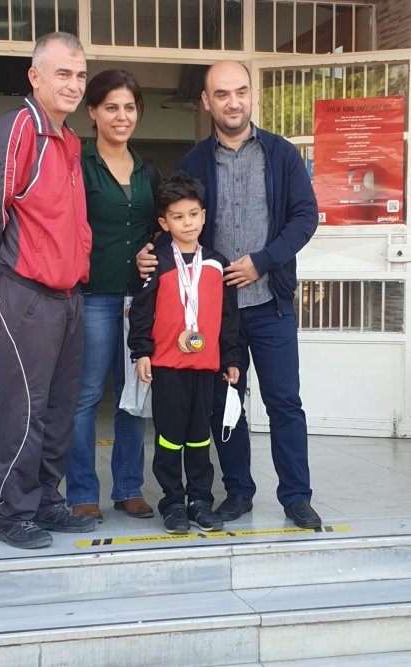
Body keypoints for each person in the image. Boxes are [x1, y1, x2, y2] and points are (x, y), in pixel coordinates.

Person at [137, 60, 321, 529]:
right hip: (216, 315)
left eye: (240, 91)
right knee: (226, 403)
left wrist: (264, 259)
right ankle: (238, 491)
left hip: (271, 303)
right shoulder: (194, 161)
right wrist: (151, 252)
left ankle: (296, 496)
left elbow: (305, 216)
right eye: (222, 94)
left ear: (251, 94)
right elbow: (178, 220)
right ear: (206, 101)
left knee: (284, 402)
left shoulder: (281, 154)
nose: (233, 102)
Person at [0, 32, 97, 549]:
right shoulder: (19, 126)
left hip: (68, 296)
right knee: (22, 405)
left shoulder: (69, 139)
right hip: (26, 291)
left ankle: (45, 501)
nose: (74, 84)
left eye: (80, 75)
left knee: (58, 407)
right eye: (63, 73)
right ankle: (10, 510)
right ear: (35, 76)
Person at [65, 69, 162, 523]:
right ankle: (82, 492)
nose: (121, 117)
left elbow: (160, 229)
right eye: (111, 107)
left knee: (134, 393)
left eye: (129, 107)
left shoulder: (148, 171)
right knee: (85, 397)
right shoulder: (78, 165)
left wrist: (151, 250)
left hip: (138, 300)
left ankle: (128, 488)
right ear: (92, 111)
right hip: (92, 296)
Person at [128, 172, 241, 534]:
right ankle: (173, 502)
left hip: (205, 366)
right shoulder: (158, 261)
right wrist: (141, 352)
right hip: (167, 365)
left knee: (200, 435)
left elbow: (228, 316)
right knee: (169, 436)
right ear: (164, 223)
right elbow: (141, 311)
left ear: (204, 216)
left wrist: (231, 357)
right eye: (178, 217)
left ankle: (200, 501)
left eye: (193, 214)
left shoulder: (217, 263)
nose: (187, 223)